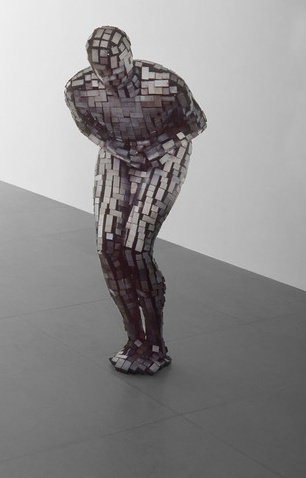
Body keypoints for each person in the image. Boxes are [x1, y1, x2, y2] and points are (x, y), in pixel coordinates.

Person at [65, 26, 206, 374]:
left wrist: (155, 149)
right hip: (119, 154)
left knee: (136, 247)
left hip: (164, 156)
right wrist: (116, 147)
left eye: (114, 64)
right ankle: (134, 339)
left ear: (129, 54)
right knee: (108, 248)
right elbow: (88, 127)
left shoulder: (166, 84)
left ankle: (155, 342)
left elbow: (195, 123)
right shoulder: (78, 89)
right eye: (100, 68)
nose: (109, 75)